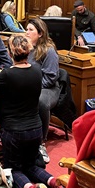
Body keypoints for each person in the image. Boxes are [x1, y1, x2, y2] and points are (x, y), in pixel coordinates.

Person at [0, 35, 60, 188]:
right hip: (36, 129)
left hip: (13, 131)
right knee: (30, 165)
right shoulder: (37, 71)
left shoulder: (7, 75)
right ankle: (53, 181)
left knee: (12, 168)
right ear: (28, 53)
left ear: (10, 54)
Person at [25, 18, 61, 165]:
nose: (26, 32)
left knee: (40, 102)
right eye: (26, 29)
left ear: (40, 33)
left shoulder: (49, 51)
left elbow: (50, 78)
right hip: (30, 85)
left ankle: (40, 141)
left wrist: (31, 87)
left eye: (30, 30)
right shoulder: (26, 47)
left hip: (48, 88)